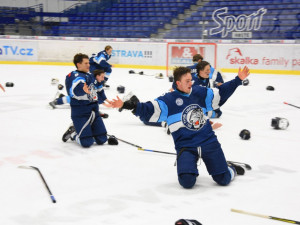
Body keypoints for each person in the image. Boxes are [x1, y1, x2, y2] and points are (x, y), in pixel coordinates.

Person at [111, 66, 250, 188]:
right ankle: (191, 162)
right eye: (187, 81)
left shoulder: (200, 92)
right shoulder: (168, 100)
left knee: (223, 179)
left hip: (208, 141)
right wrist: (125, 105)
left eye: (191, 80)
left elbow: (220, 93)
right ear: (178, 83)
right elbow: (148, 109)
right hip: (186, 146)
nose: (191, 83)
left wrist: (238, 79)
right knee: (187, 182)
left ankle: (231, 169)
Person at [62, 53, 118, 147]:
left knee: (102, 139)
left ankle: (87, 130)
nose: (89, 65)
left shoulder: (90, 75)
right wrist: (82, 90)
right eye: (86, 63)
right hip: (81, 113)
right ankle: (73, 133)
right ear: (78, 64)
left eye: (88, 63)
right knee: (86, 142)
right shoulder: (73, 76)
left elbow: (99, 89)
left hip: (93, 112)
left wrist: (107, 101)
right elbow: (74, 91)